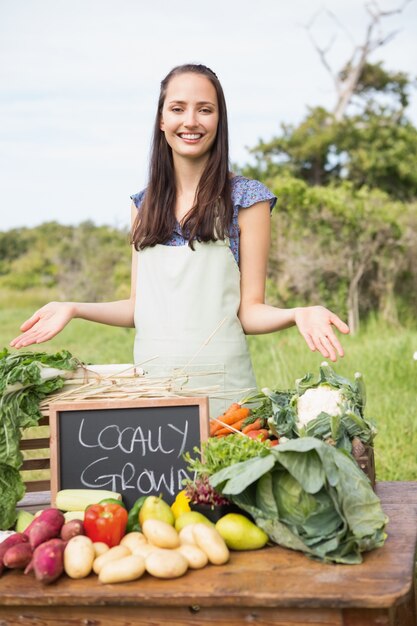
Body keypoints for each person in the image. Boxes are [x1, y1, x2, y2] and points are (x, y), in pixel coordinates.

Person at [10, 63, 349, 415]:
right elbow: (140, 307)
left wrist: (298, 313)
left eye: (205, 109)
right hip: (153, 395)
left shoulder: (247, 199)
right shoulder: (143, 205)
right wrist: (74, 308)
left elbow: (248, 313)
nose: (191, 121)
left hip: (226, 400)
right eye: (177, 108)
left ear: (219, 120)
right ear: (161, 120)